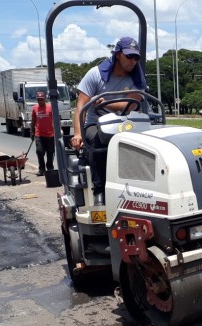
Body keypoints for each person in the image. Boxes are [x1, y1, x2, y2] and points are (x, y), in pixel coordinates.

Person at [70, 36, 146, 205]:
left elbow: (131, 105)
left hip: (125, 123)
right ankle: (100, 192)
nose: (133, 61)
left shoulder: (137, 78)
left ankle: (141, 190)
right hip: (96, 124)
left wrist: (106, 103)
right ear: (118, 54)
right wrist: (78, 133)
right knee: (99, 140)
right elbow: (81, 106)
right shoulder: (95, 74)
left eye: (136, 57)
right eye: (129, 56)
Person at [30, 91, 55, 176]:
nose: (40, 101)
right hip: (39, 134)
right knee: (39, 151)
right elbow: (33, 121)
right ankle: (42, 169)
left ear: (45, 99)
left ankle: (50, 167)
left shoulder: (50, 107)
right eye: (38, 100)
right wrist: (31, 131)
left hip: (50, 135)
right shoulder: (34, 108)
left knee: (50, 152)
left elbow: (56, 120)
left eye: (41, 99)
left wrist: (59, 129)